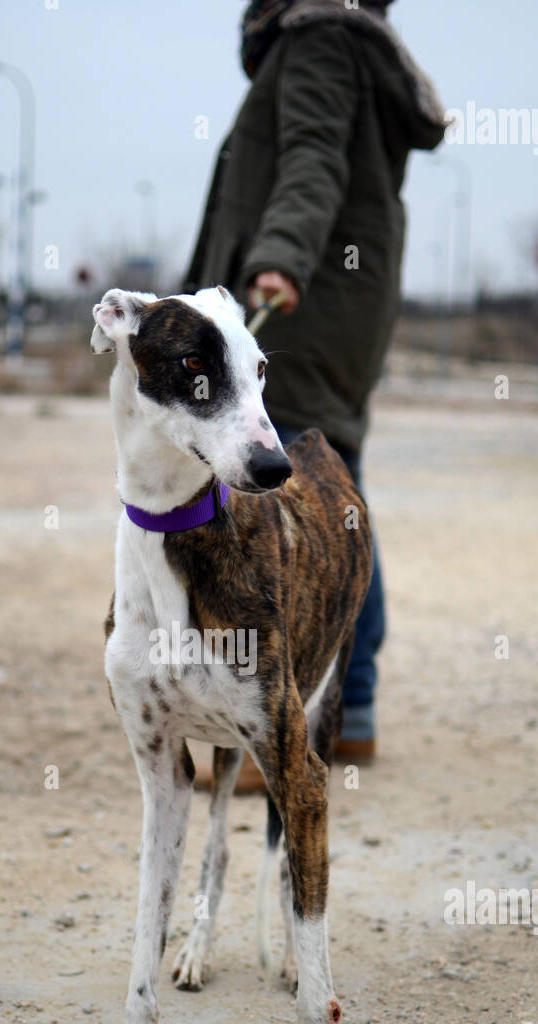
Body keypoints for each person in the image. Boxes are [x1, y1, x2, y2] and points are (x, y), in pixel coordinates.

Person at [184, 0, 447, 789]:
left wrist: (280, 261)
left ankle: (301, 727)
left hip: (304, 307)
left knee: (291, 518)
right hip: (337, 310)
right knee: (337, 501)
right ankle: (349, 712)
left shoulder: (319, 37)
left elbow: (311, 157)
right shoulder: (343, 41)